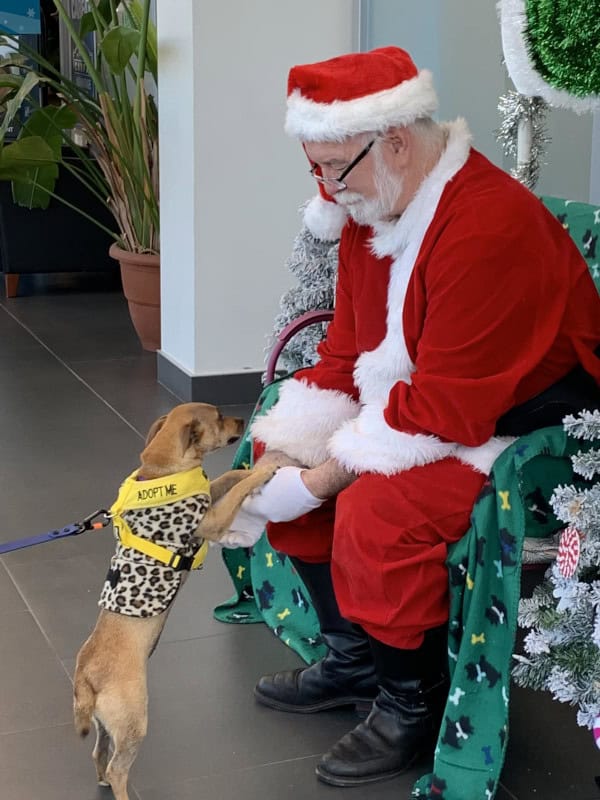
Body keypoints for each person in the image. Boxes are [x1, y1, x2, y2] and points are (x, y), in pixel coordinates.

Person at [220, 46, 600, 787]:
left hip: (522, 426)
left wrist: (326, 477)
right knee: (281, 456)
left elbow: (453, 405)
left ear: (394, 140)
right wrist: (288, 451)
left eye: (335, 166)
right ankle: (355, 661)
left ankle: (411, 700)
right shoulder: (372, 203)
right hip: (440, 403)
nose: (326, 188)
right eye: (315, 168)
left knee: (378, 512)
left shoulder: (486, 225)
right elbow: (347, 351)